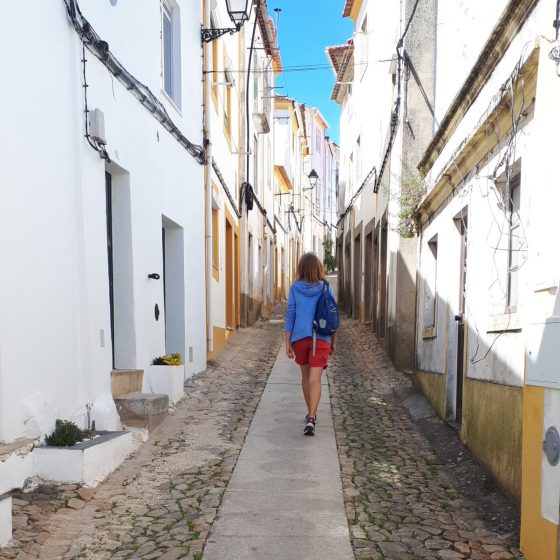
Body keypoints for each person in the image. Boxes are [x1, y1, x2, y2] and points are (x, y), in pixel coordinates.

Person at [284, 253, 338, 436]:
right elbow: (333, 314)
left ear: (301, 268)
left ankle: (310, 415)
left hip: (300, 338)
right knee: (316, 380)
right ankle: (312, 418)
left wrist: (287, 341)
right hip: (321, 337)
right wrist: (334, 341)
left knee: (306, 378)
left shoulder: (295, 288)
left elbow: (291, 313)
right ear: (318, 268)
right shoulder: (326, 287)